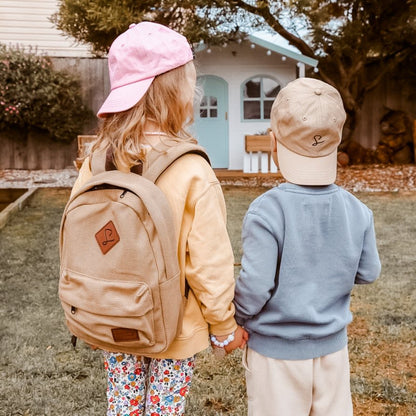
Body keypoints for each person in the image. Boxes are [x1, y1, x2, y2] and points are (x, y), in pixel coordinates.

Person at [71, 22, 247, 416]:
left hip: (111, 315)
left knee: (123, 405)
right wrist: (223, 326)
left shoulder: (96, 160)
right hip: (173, 326)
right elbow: (208, 263)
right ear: (179, 92)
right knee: (165, 410)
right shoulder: (190, 169)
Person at [233, 77, 381, 416]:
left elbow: (255, 286)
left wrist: (237, 317)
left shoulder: (266, 210)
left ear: (273, 142)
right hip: (333, 352)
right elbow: (369, 271)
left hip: (275, 355)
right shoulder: (357, 209)